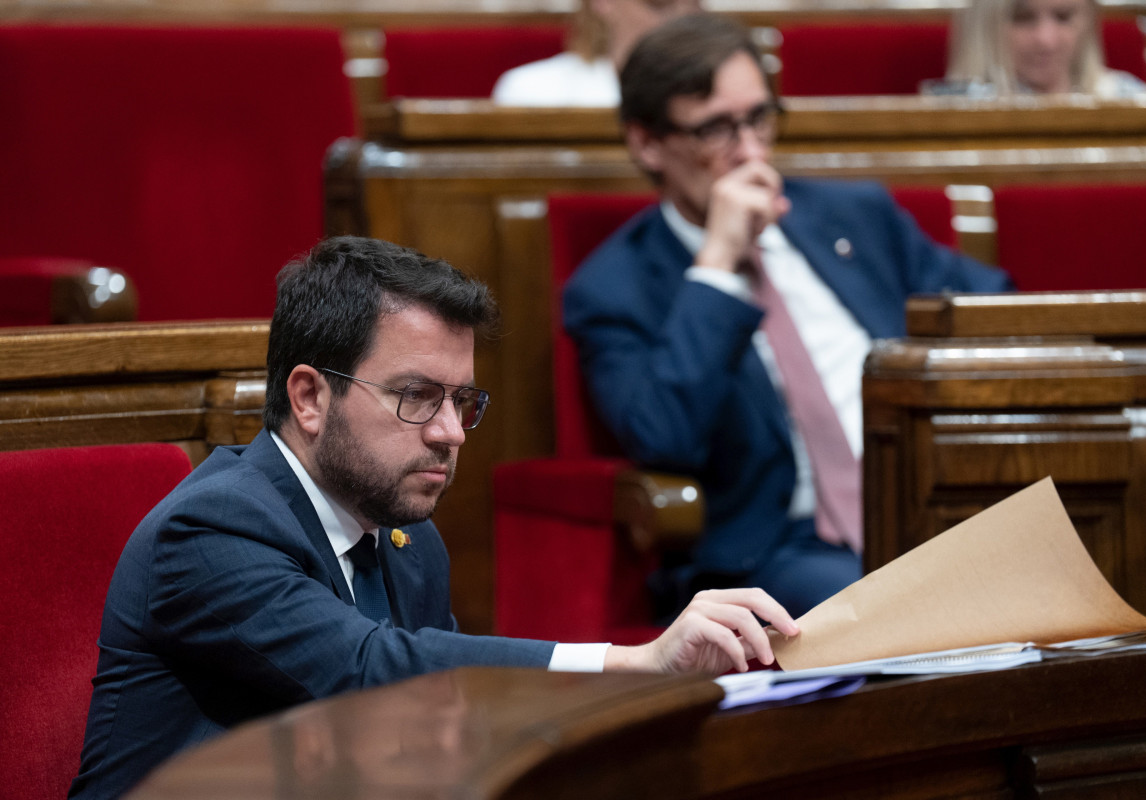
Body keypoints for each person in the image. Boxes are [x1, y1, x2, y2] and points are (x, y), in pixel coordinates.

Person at [69, 236, 799, 799]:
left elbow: (438, 727)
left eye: (463, 402)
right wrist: (632, 662)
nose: (450, 432)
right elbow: (374, 672)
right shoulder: (212, 530)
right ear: (309, 398)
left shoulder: (407, 535)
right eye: (417, 396)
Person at [562, 14, 1013, 621]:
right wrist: (718, 264)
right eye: (717, 129)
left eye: (758, 118)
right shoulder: (613, 287)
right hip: (777, 549)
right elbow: (663, 434)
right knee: (894, 610)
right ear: (647, 143)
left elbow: (992, 310)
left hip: (928, 508)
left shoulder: (853, 216)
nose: (750, 151)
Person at [492, 0, 700, 106]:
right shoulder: (532, 92)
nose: (684, 17)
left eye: (694, 1)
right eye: (658, 3)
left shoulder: (722, 89)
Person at [930, 0, 1146, 97]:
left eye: (1063, 17)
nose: (1046, 40)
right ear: (985, 23)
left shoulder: (1131, 100)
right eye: (1023, 18)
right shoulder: (947, 116)